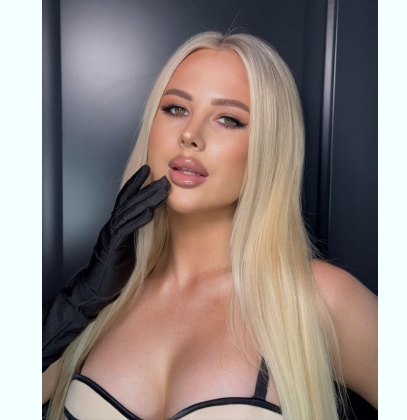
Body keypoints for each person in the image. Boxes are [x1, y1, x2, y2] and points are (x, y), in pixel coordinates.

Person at [42, 31, 378, 420]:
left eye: (228, 119)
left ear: (268, 147)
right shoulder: (100, 298)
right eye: (176, 109)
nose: (190, 134)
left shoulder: (318, 298)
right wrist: (80, 302)